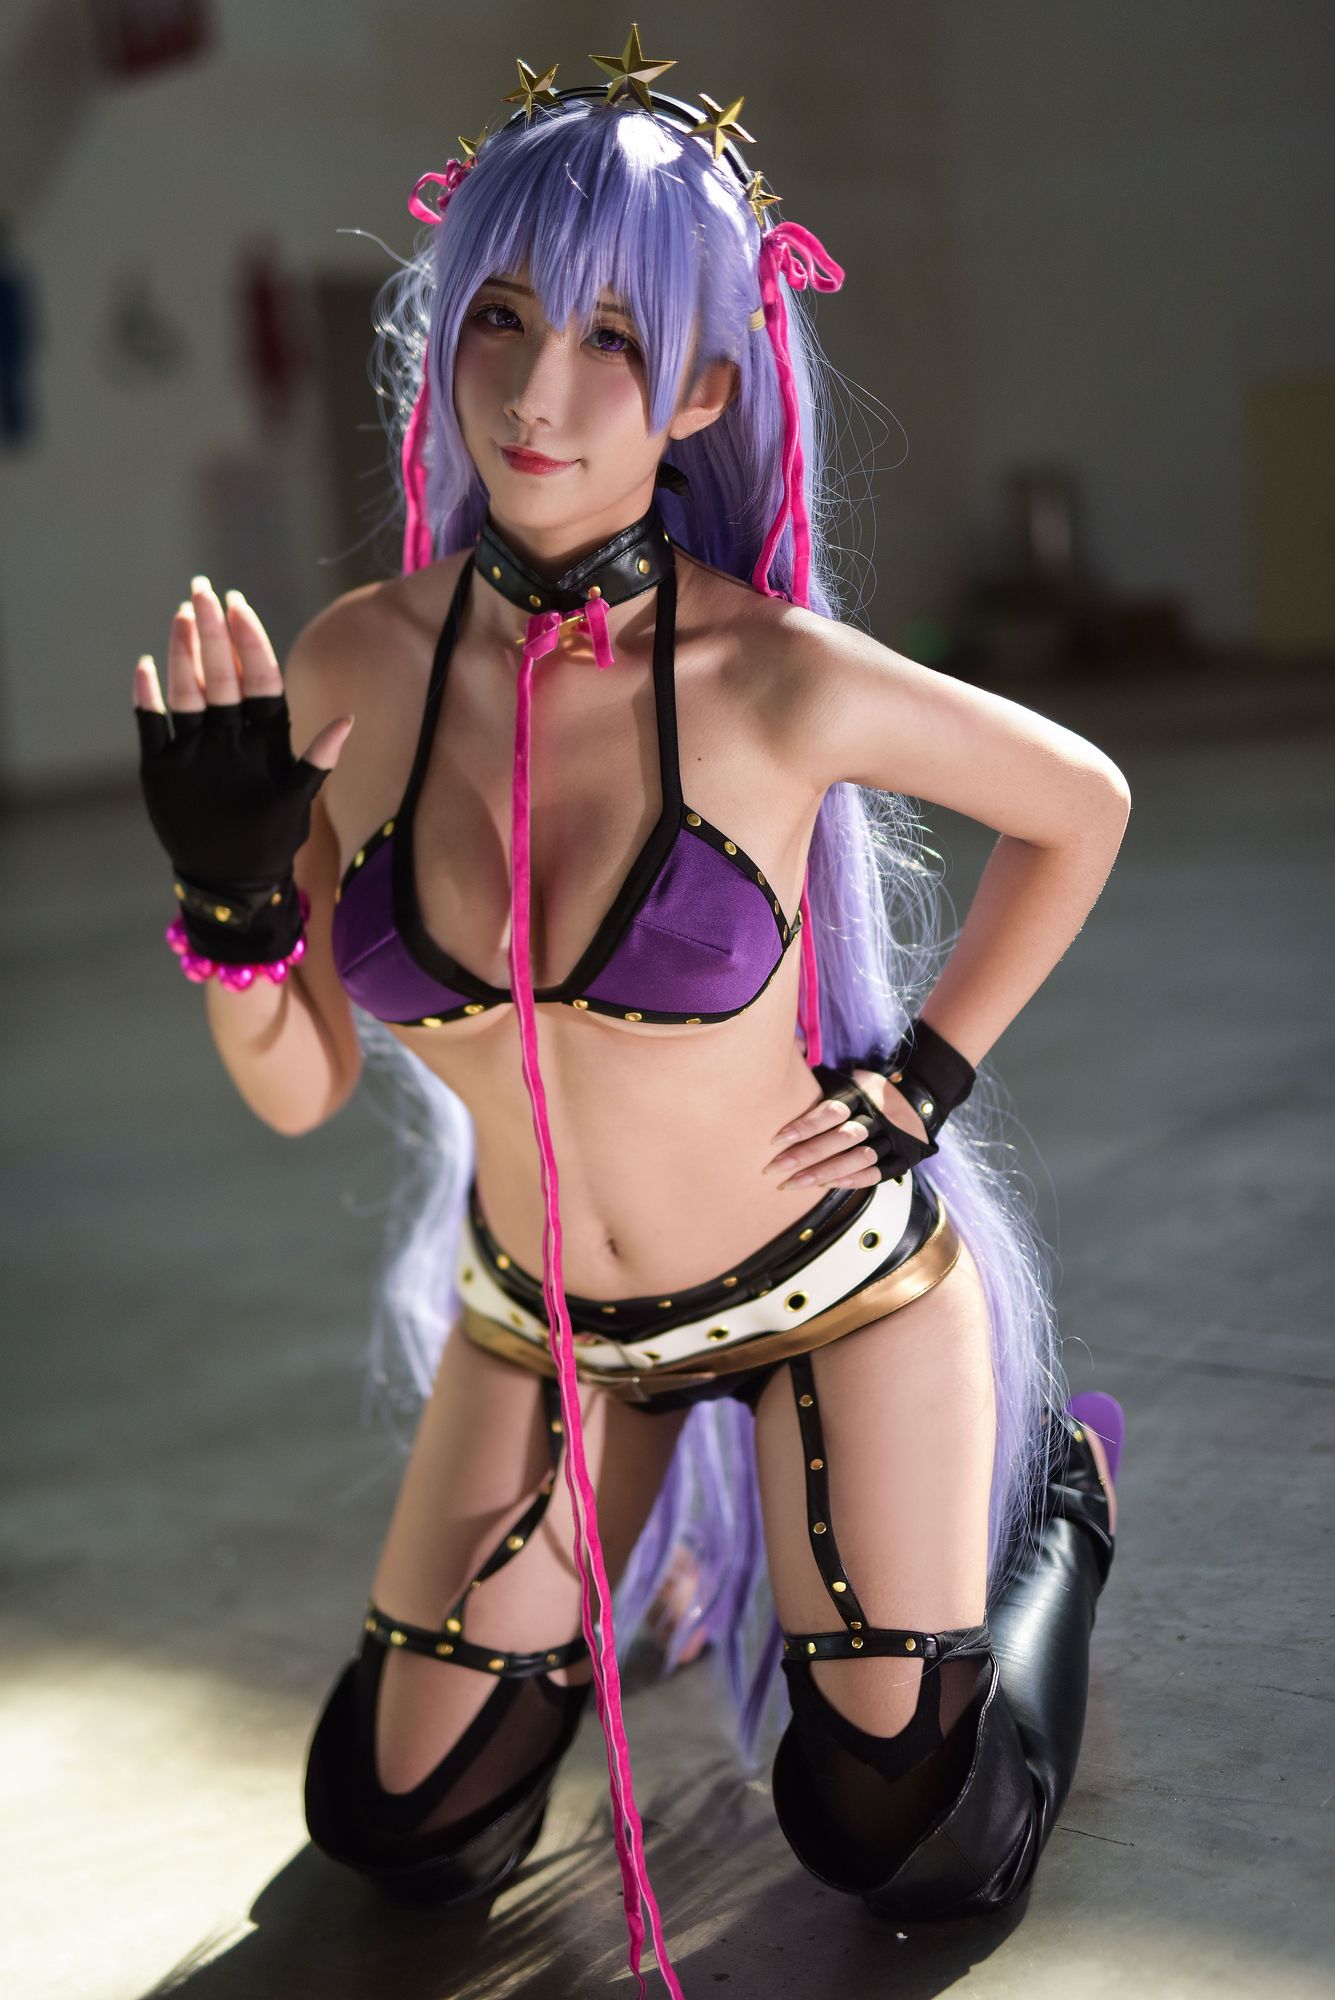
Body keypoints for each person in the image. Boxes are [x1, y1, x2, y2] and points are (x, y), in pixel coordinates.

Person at [133, 42, 1129, 1995]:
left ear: (700, 392)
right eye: (500, 318)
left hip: (827, 1294)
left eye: (611, 340)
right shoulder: (355, 667)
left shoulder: (774, 676)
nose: (534, 391)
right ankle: (639, 1553)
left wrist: (922, 1083)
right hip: (543, 1321)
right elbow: (299, 1086)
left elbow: (1076, 803)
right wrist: (235, 903)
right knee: (397, 1821)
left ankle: (1061, 1505)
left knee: (897, 1834)